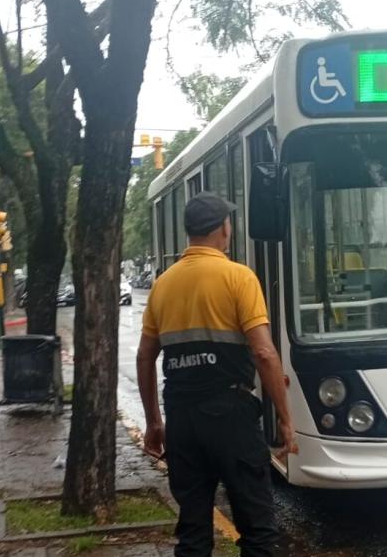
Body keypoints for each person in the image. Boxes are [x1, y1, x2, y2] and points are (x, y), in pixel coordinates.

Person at [136, 191, 296, 557]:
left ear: (190, 232)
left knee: (193, 533)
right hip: (231, 416)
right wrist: (286, 418)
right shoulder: (238, 277)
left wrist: (153, 422)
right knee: (257, 530)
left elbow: (145, 357)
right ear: (223, 229)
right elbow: (264, 352)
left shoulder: (163, 285)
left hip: (182, 420)